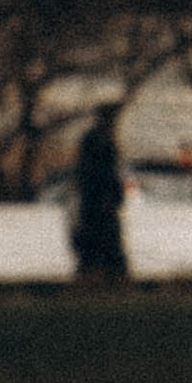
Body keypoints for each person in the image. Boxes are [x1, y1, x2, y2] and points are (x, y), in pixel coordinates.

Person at [71, 107, 129, 285]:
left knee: (100, 236)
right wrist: (110, 195)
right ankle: (104, 272)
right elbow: (103, 172)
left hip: (96, 198)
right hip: (98, 198)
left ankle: (100, 271)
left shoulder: (97, 140)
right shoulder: (100, 142)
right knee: (102, 236)